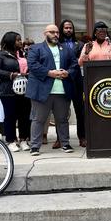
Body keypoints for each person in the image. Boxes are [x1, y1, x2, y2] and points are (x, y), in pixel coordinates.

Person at [26, 24, 79, 156]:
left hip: (62, 90)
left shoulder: (66, 49)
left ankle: (65, 143)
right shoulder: (36, 48)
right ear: (45, 34)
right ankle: (35, 146)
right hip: (42, 91)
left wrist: (67, 72)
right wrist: (49, 73)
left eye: (57, 32)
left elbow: (75, 64)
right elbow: (32, 65)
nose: (55, 35)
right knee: (38, 119)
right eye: (52, 32)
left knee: (62, 119)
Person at [0, 32, 32, 152]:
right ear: (10, 41)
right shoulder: (1, 56)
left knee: (24, 115)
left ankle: (24, 139)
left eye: (20, 40)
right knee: (10, 116)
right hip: (8, 90)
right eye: (18, 40)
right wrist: (11, 75)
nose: (20, 42)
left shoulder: (23, 54)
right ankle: (11, 140)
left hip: (24, 89)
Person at [58, 19, 86, 148]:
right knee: (61, 112)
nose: (68, 30)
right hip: (62, 81)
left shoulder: (79, 44)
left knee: (80, 111)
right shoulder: (57, 44)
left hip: (77, 81)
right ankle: (61, 139)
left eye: (70, 28)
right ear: (62, 29)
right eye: (66, 28)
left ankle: (82, 137)